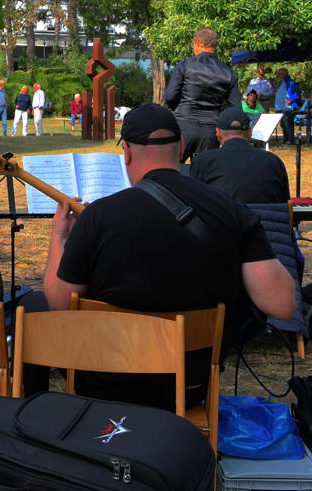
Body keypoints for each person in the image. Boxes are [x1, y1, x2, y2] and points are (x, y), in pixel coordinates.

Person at [41, 104, 294, 408]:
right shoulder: (232, 209)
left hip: (106, 384)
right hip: (190, 385)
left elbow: (59, 305)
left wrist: (60, 237)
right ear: (182, 147)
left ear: (128, 153)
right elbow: (281, 305)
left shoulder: (99, 216)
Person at [164, 28, 240, 163]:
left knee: (172, 169)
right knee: (205, 174)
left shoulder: (185, 65)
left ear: (198, 43)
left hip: (183, 125)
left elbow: (170, 96)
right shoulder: (228, 72)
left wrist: (180, 110)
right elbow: (235, 108)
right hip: (210, 130)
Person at [190, 107, 290, 204]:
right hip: (264, 220)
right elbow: (285, 204)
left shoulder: (202, 161)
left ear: (218, 133)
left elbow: (195, 203)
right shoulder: (273, 161)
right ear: (250, 132)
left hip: (223, 220)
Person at [273, 69, 303, 145]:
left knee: (287, 124)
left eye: (282, 74)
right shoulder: (280, 83)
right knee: (282, 125)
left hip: (287, 107)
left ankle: (290, 141)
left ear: (286, 74)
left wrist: (291, 100)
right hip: (279, 107)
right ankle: (285, 140)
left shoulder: (291, 82)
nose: (280, 75)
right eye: (279, 74)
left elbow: (298, 93)